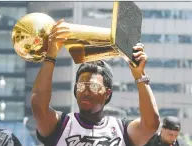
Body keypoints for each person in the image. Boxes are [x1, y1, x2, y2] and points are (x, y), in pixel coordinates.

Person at [31, 19, 160, 146]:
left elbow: (151, 125)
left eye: (93, 86)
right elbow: (38, 106)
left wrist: (139, 75)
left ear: (107, 93)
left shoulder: (121, 130)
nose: (85, 92)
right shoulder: (61, 125)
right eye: (81, 86)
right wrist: (50, 56)